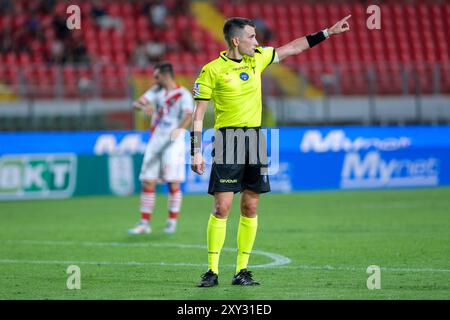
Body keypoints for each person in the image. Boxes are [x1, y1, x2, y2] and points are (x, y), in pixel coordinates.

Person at [190, 16, 351, 287]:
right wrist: (195, 151)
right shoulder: (211, 70)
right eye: (252, 37)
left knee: (250, 206)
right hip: (228, 140)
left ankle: (242, 270)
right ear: (235, 40)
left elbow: (293, 47)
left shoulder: (259, 58)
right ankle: (212, 270)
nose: (257, 41)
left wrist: (327, 32)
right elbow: (197, 117)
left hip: (254, 138)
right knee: (222, 208)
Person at [129, 62, 194, 235]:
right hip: (155, 140)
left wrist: (178, 132)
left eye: (156, 76)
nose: (154, 78)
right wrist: (145, 106)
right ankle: (144, 223)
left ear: (166, 75)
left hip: (174, 143)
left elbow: (189, 115)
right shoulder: (155, 91)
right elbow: (136, 104)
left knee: (173, 182)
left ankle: (172, 221)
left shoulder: (183, 94)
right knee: (148, 180)